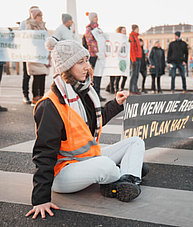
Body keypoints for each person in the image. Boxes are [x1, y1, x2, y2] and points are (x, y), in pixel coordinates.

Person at [25, 37, 146, 220]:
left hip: (87, 159)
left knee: (136, 142)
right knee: (105, 165)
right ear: (66, 67)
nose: (87, 67)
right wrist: (40, 199)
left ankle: (125, 178)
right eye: (80, 62)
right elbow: (44, 153)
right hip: (63, 173)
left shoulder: (84, 92)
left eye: (86, 60)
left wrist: (117, 104)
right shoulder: (50, 105)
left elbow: (93, 123)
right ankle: (126, 173)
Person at [25, 8, 50, 105]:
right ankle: (35, 97)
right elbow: (28, 39)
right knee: (36, 76)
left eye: (41, 15)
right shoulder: (30, 26)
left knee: (42, 75)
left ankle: (42, 96)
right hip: (35, 55)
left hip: (42, 54)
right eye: (39, 16)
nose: (41, 18)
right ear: (35, 16)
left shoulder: (43, 26)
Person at [19, 6, 39, 104]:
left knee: (37, 75)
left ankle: (35, 96)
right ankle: (25, 95)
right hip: (27, 53)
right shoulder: (24, 23)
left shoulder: (40, 24)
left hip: (37, 54)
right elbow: (21, 36)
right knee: (26, 75)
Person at [84, 12, 106, 101]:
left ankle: (98, 93)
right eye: (95, 17)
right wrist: (96, 52)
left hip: (101, 55)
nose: (97, 18)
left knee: (99, 75)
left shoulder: (98, 29)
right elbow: (90, 41)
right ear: (91, 18)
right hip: (94, 55)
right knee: (92, 75)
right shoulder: (89, 29)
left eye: (97, 16)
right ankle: (92, 94)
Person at [129, 24, 142, 95]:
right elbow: (131, 50)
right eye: (137, 28)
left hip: (138, 58)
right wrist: (133, 60)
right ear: (134, 29)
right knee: (134, 74)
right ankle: (132, 89)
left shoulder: (136, 37)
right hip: (135, 59)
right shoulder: (131, 37)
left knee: (136, 74)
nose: (138, 30)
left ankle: (135, 88)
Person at [115, 26, 127, 91]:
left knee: (125, 75)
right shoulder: (117, 39)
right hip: (119, 59)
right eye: (123, 30)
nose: (125, 32)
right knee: (118, 75)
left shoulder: (127, 39)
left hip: (125, 59)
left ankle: (122, 87)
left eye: (125, 30)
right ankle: (116, 89)